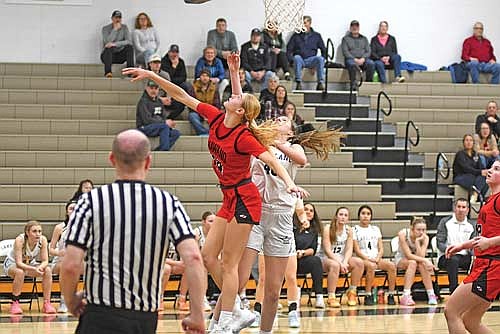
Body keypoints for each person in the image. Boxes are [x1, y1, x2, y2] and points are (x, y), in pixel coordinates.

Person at [123, 53, 299, 334]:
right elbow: (181, 95)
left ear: (240, 111)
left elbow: (272, 159)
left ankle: (227, 321)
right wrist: (152, 75)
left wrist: (289, 183)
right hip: (229, 197)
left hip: (245, 198)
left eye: (235, 98)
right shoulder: (217, 117)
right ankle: (238, 309)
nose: (230, 96)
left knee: (229, 265)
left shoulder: (243, 136)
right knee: (207, 256)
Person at [60, 129, 206, 334]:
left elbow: (70, 265)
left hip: (99, 315)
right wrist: (197, 314)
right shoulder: (168, 203)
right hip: (144, 318)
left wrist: (71, 300)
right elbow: (194, 258)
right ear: (148, 162)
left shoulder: (91, 201)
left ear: (112, 159)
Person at [238, 116, 341, 330]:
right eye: (276, 117)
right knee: (246, 274)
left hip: (282, 216)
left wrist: (277, 142)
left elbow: (301, 160)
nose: (279, 119)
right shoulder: (260, 143)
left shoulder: (294, 148)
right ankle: (232, 313)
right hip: (257, 212)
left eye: (284, 119)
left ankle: (286, 314)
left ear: (291, 130)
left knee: (280, 284)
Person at [444, 160, 500, 334]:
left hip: (491, 266)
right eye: (490, 167)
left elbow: (488, 241)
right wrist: (462, 245)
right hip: (485, 264)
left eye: (497, 169)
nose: (490, 171)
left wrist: (489, 243)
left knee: (451, 311)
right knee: (471, 320)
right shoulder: (490, 199)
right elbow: (484, 236)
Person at [3, 221, 56, 315]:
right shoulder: (20, 240)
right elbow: (19, 263)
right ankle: (15, 303)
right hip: (12, 264)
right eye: (34, 231)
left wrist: (40, 267)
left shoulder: (42, 240)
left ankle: (47, 303)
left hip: (30, 264)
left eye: (40, 231)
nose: (38, 234)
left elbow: (45, 261)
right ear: (27, 232)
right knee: (20, 272)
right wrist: (33, 269)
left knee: (47, 270)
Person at [319, 207, 364, 307]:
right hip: (326, 259)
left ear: (348, 219)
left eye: (345, 215)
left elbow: (349, 249)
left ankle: (352, 292)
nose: (343, 217)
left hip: (342, 259)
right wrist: (340, 263)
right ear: (336, 216)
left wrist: (345, 262)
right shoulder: (328, 229)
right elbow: (327, 251)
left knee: (359, 262)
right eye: (341, 214)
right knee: (335, 265)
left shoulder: (349, 230)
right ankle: (331, 296)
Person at [353, 205, 397, 305]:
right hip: (362, 259)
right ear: (359, 216)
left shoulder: (375, 229)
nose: (365, 216)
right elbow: (357, 250)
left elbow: (381, 248)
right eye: (363, 213)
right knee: (371, 266)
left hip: (376, 258)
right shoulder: (354, 229)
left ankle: (391, 294)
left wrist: (377, 257)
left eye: (368, 214)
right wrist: (368, 259)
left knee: (392, 266)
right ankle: (368, 294)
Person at [394, 217, 438, 306]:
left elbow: (420, 256)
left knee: (421, 264)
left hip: (418, 261)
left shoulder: (425, 238)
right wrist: (426, 260)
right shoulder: (403, 234)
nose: (421, 232)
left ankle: (431, 294)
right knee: (413, 263)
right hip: (401, 259)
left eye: (424, 230)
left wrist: (418, 243)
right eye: (418, 230)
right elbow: (408, 255)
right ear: (412, 229)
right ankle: (405, 295)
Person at [436, 198, 475, 294]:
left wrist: (473, 254)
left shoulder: (472, 225)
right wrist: (449, 250)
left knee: (480, 261)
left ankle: (474, 292)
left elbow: (474, 244)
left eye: (463, 207)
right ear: (454, 208)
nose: (461, 209)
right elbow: (439, 243)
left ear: (467, 210)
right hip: (447, 256)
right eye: (458, 207)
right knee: (453, 260)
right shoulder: (445, 222)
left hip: (465, 257)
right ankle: (454, 291)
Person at [294, 202, 326, 308]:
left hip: (303, 260)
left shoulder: (313, 231)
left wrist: (302, 252)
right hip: (289, 259)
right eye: (306, 209)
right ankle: (277, 298)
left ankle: (319, 297)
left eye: (311, 211)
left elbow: (313, 249)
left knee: (316, 261)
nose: (308, 212)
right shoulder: (291, 226)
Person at [49, 200, 78, 313]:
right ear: (66, 212)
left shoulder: (85, 226)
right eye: (71, 209)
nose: (74, 211)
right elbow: (50, 249)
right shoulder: (60, 227)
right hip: (60, 261)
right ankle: (64, 300)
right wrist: (59, 252)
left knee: (92, 267)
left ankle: (88, 300)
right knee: (64, 267)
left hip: (78, 261)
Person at [136, 80, 180, 151]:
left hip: (158, 127)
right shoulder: (143, 102)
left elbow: (163, 116)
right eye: (151, 88)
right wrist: (164, 122)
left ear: (158, 90)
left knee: (176, 133)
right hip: (144, 127)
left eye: (156, 88)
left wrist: (168, 123)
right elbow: (146, 120)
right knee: (164, 127)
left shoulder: (159, 101)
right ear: (147, 88)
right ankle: (164, 149)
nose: (153, 91)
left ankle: (160, 150)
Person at [286, 16, 326, 90]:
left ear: (310, 23)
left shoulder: (317, 36)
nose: (303, 25)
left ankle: (320, 83)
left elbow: (324, 50)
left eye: (305, 23)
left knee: (320, 59)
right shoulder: (296, 35)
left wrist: (316, 65)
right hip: (300, 59)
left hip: (311, 59)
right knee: (296, 57)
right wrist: (291, 61)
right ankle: (298, 83)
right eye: (301, 23)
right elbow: (289, 50)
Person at [452, 134, 488, 201]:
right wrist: (480, 172)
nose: (469, 142)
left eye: (471, 140)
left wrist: (484, 171)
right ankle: (478, 196)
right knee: (475, 178)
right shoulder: (460, 154)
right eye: (467, 140)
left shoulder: (475, 154)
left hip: (472, 176)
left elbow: (481, 167)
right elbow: (466, 168)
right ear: (463, 142)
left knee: (485, 177)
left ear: (473, 143)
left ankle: (475, 195)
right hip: (460, 176)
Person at [100, 10, 134, 78]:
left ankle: (130, 72)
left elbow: (129, 41)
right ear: (112, 18)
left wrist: (115, 44)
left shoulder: (124, 27)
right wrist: (115, 29)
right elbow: (107, 42)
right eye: (116, 17)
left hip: (120, 56)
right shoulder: (105, 28)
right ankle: (108, 72)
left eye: (119, 18)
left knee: (129, 47)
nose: (118, 19)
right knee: (108, 48)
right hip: (107, 57)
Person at [342, 20, 375, 87]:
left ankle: (368, 83)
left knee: (371, 63)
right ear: (350, 28)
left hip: (363, 59)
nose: (355, 28)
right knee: (352, 64)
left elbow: (368, 51)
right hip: (351, 60)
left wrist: (363, 58)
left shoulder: (364, 39)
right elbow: (345, 52)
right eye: (353, 26)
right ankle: (353, 84)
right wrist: (354, 59)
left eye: (356, 26)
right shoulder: (345, 39)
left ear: (359, 28)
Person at [188, 68, 220, 135]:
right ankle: (204, 132)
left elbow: (217, 104)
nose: (205, 78)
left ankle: (215, 133)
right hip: (198, 111)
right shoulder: (193, 87)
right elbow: (191, 103)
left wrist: (209, 113)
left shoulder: (214, 88)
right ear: (200, 77)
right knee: (192, 116)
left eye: (207, 76)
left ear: (209, 78)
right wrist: (202, 114)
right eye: (203, 75)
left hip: (210, 111)